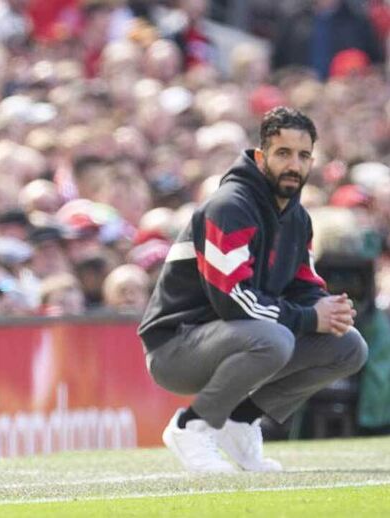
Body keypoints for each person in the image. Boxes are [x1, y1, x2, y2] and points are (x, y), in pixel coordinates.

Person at [138, 107, 368, 473]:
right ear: (261, 157)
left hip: (240, 338)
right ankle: (192, 426)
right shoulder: (229, 207)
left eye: (303, 155)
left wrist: (328, 308)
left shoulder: (296, 216)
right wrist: (310, 317)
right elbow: (232, 300)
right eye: (283, 153)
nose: (294, 164)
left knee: (349, 346)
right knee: (274, 338)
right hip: (176, 348)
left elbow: (302, 284)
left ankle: (240, 421)